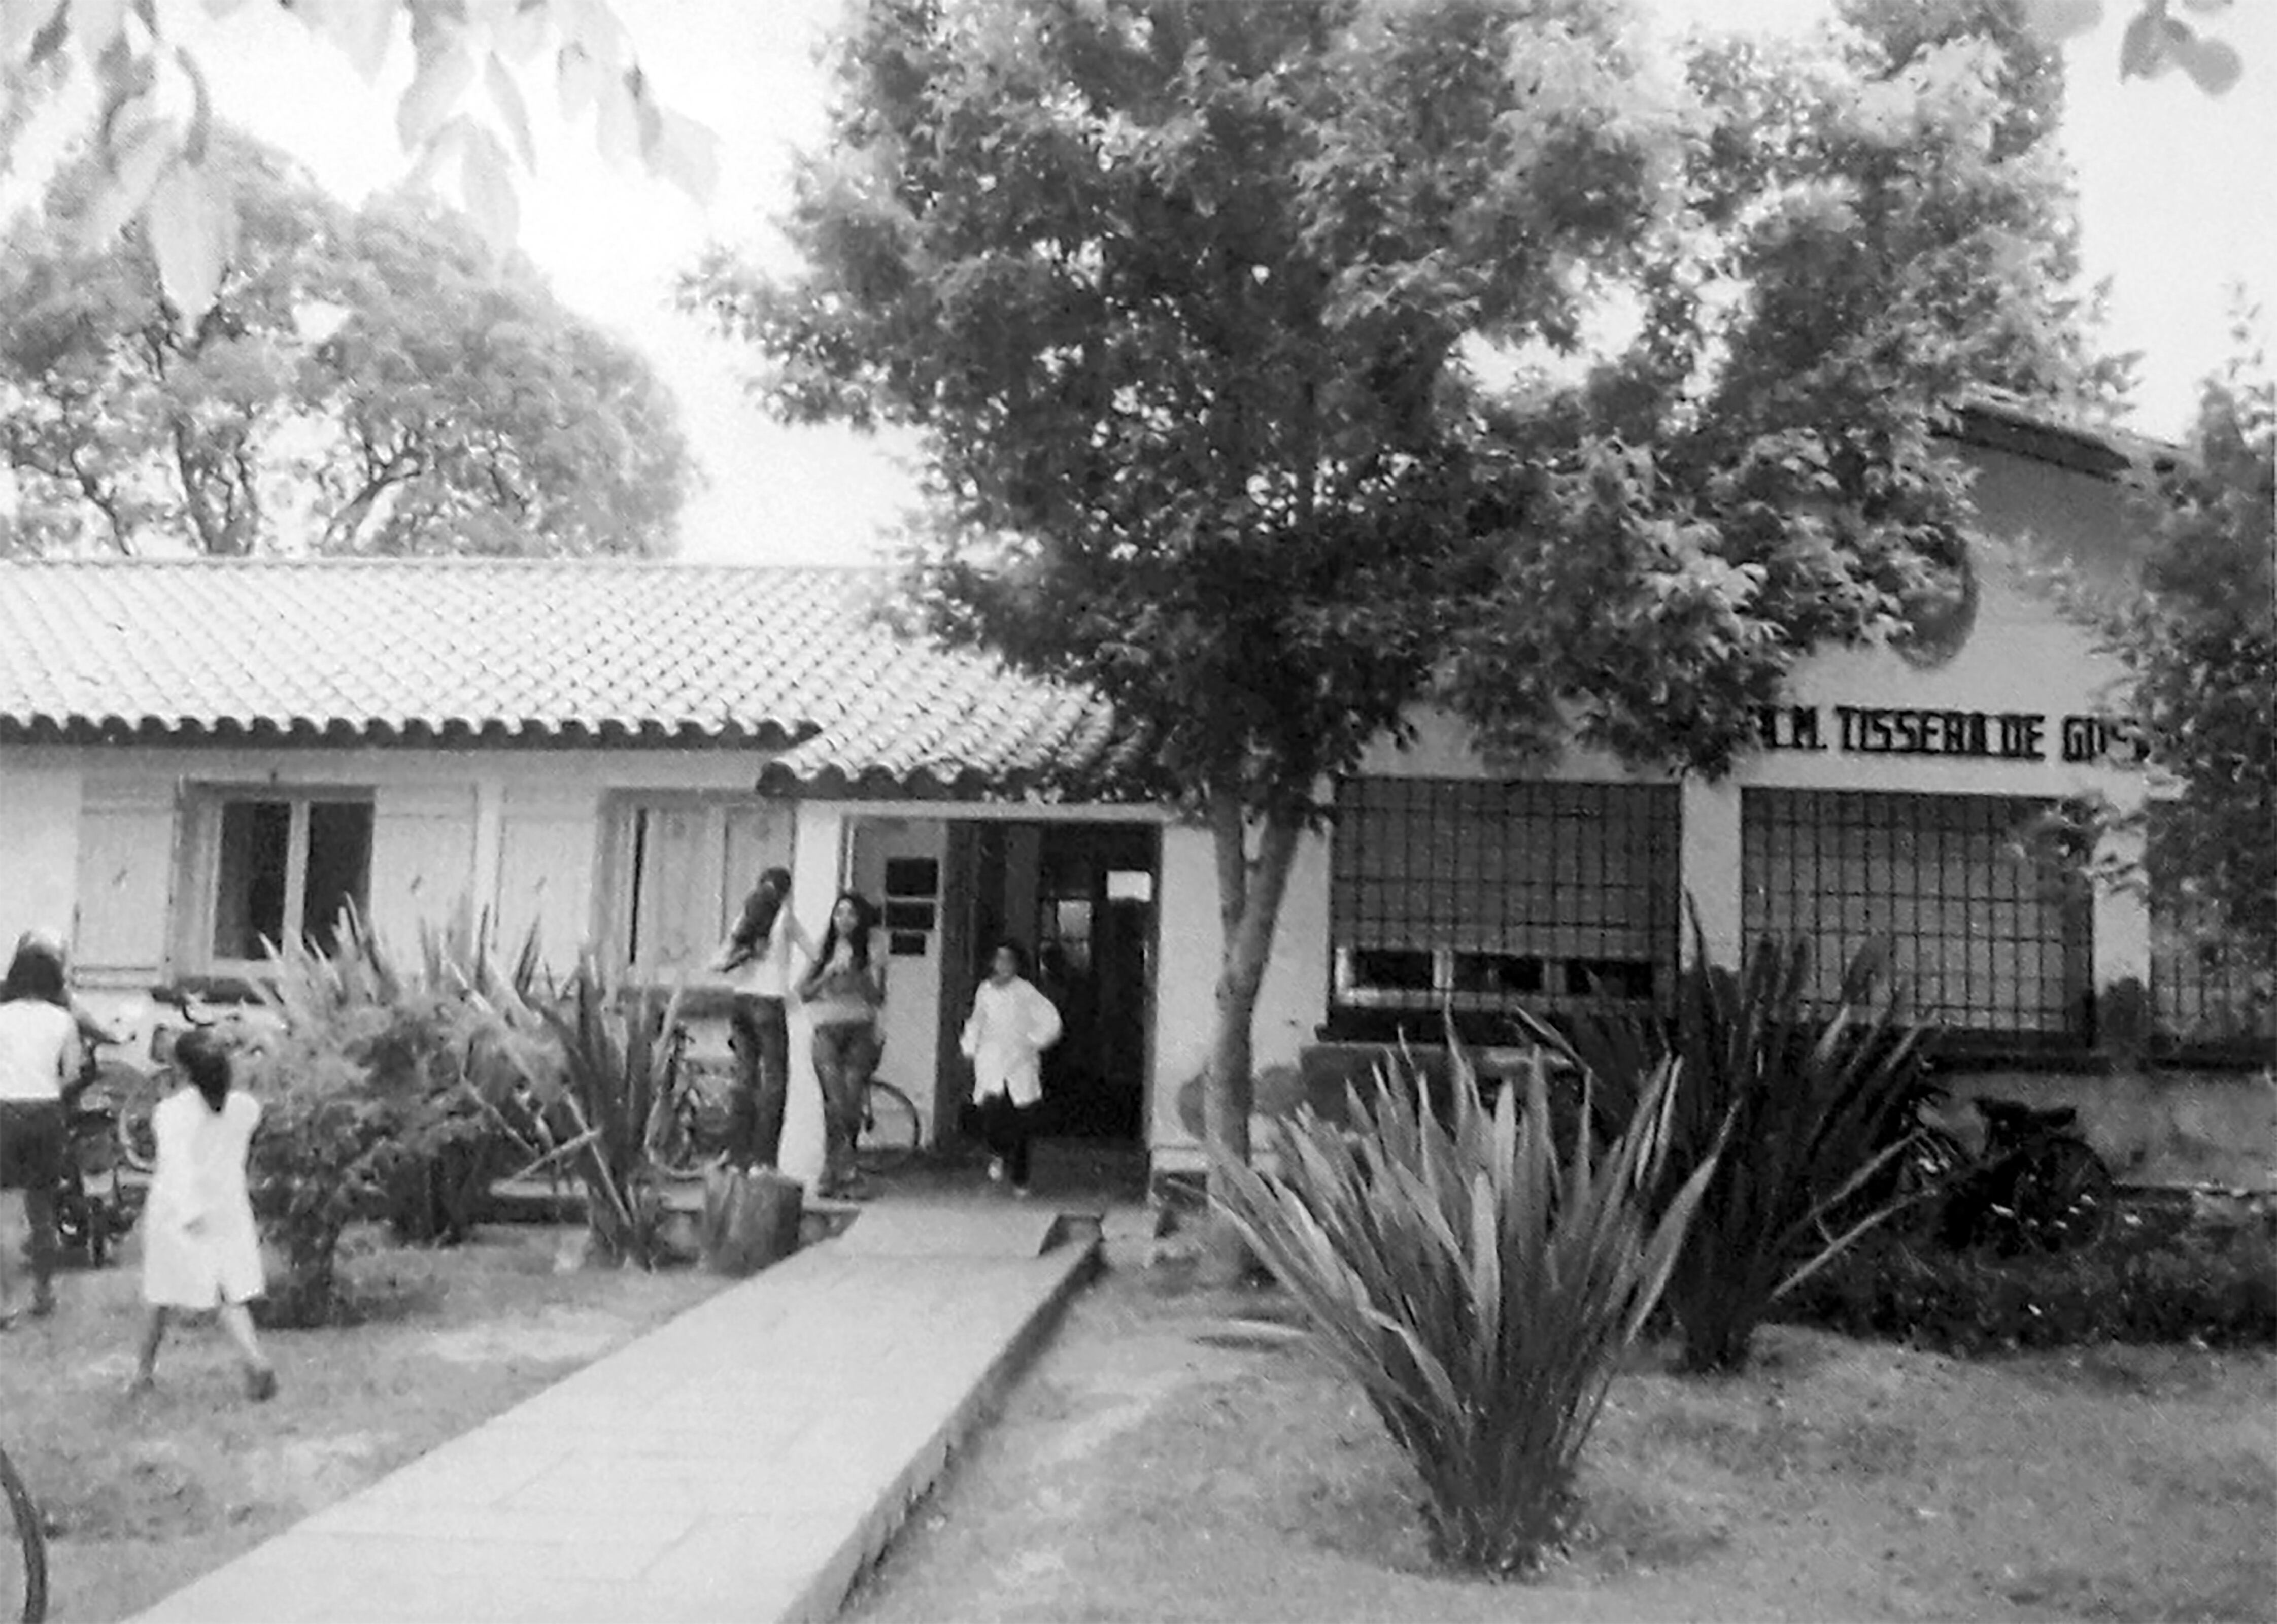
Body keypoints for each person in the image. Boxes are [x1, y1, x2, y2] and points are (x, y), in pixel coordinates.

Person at [132, 1030, 277, 1401]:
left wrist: (186, 1211)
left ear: (181, 1069)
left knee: (159, 1292)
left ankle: (143, 1373)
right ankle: (254, 1357)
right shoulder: (243, 1108)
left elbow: (175, 1165)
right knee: (229, 1293)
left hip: (178, 1212)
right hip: (228, 1207)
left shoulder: (172, 1112)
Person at [708, 866, 813, 1171]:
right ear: (786, 892)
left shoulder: (745, 918)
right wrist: (797, 989)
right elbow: (816, 954)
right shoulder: (785, 918)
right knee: (775, 1081)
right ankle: (765, 1159)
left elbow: (717, 962)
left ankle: (736, 1153)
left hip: (741, 1001)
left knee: (744, 1079)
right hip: (770, 1002)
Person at [0, 935, 80, 1325]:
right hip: (46, 1112)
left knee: (6, 1215)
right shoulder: (63, 1021)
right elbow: (73, 1073)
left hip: (5, 1112)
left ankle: (5, 1303)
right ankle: (44, 1292)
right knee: (42, 1211)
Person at [796, 891, 887, 1200]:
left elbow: (877, 998)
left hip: (860, 1030)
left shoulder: (872, 950)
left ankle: (837, 1171)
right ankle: (840, 1171)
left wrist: (859, 973)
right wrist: (827, 974)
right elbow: (802, 992)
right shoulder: (824, 949)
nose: (844, 920)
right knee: (834, 1101)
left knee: (849, 1102)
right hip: (827, 1030)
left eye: (851, 914)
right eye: (839, 913)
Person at [960, 940, 1063, 1198]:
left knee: (1022, 1122)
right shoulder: (985, 990)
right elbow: (977, 1021)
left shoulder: (1025, 991)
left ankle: (1021, 1177)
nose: (1003, 965)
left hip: (1019, 1063)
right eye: (999, 959)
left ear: (1018, 965)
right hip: (992, 1060)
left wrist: (1033, 1041)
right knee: (992, 1113)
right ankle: (997, 1152)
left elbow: (1050, 1020)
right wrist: (970, 1046)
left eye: (1009, 960)